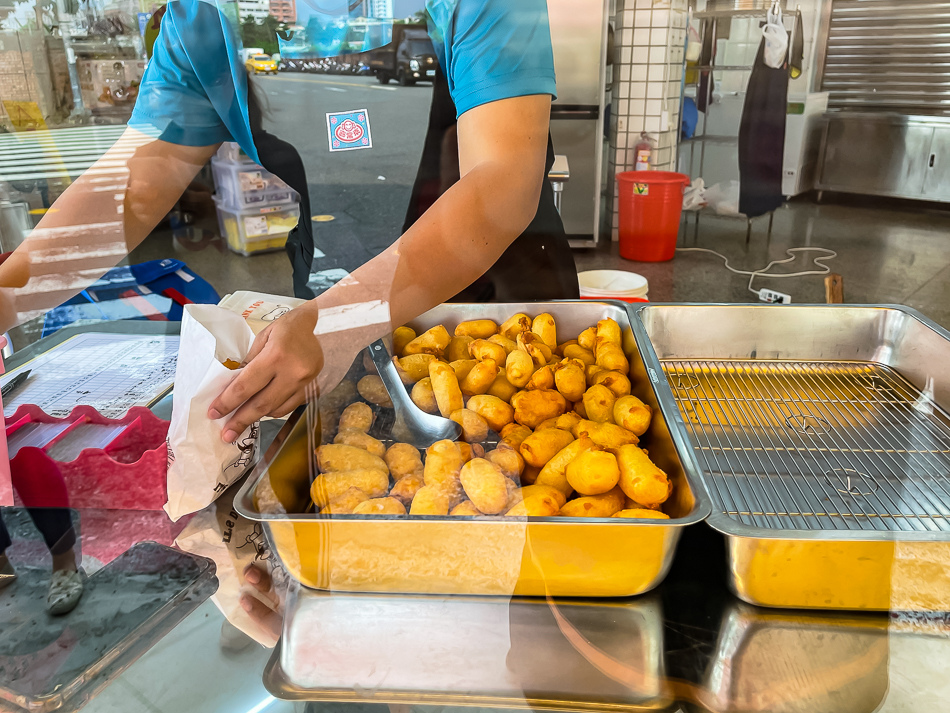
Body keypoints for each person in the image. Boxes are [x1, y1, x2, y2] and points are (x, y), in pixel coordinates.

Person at [0, 0, 576, 446]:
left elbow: (501, 181)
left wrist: (341, 322)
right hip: (330, 299)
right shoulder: (207, 19)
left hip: (499, 309)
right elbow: (136, 185)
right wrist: (10, 292)